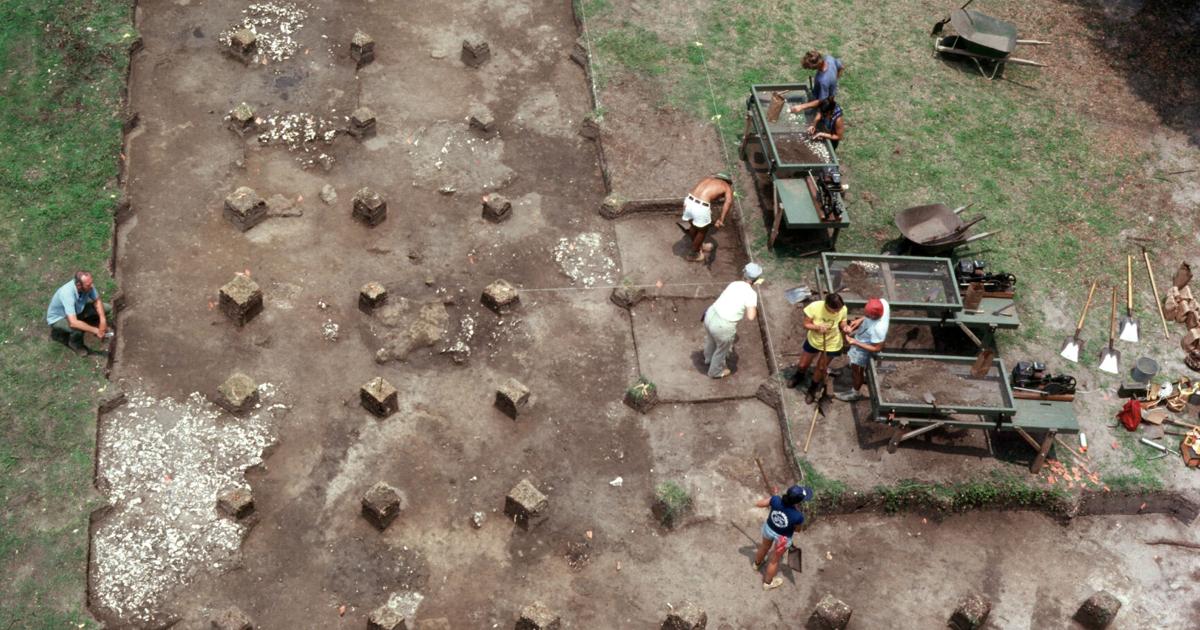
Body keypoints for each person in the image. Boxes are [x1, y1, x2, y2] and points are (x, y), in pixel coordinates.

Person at [702, 263, 762, 379]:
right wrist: (753, 307)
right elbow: (750, 316)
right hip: (722, 325)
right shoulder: (751, 294)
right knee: (722, 349)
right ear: (756, 280)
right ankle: (715, 372)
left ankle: (708, 358)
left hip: (710, 315)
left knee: (710, 338)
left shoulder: (734, 284)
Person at [787, 292, 851, 399]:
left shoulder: (842, 309)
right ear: (827, 305)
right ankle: (799, 376)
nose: (838, 312)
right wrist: (817, 327)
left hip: (832, 342)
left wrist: (845, 327)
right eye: (835, 310)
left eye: (839, 309)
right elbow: (806, 324)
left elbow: (842, 321)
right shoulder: (815, 307)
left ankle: (813, 387)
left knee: (821, 368)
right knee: (803, 365)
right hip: (815, 340)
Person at [752, 484, 813, 590]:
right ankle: (767, 583)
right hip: (782, 539)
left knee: (764, 547)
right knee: (774, 560)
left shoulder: (775, 500)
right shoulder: (798, 516)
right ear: (798, 502)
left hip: (769, 529)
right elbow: (797, 530)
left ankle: (757, 564)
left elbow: (759, 504)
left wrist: (773, 498)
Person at [836, 298, 889, 402]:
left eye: (868, 315)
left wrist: (855, 342)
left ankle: (855, 393)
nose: (866, 315)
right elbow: (868, 316)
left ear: (875, 316)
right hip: (862, 337)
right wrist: (860, 320)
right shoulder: (883, 303)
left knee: (857, 371)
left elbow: (877, 348)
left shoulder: (879, 329)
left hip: (863, 349)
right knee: (856, 368)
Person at [46, 271, 108, 356]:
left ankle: (86, 321)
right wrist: (96, 330)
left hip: (76, 311)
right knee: (77, 330)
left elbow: (97, 300)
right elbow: (73, 323)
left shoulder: (88, 286)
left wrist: (103, 320)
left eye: (91, 283)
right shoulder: (67, 294)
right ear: (79, 285)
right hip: (59, 318)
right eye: (88, 285)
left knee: (106, 308)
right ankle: (75, 345)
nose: (91, 286)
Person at [680, 173, 734, 262]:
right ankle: (694, 253)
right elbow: (728, 202)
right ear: (727, 181)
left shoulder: (707, 179)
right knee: (702, 230)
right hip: (700, 207)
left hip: (688, 201)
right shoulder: (726, 186)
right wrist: (721, 219)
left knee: (693, 226)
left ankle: (698, 245)